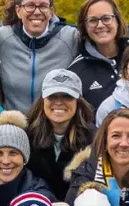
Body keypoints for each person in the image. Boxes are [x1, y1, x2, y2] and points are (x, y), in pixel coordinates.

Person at [0, 0, 77, 113]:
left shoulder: (70, 38)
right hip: (14, 125)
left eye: (43, 6)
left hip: (53, 124)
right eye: (30, 6)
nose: (37, 12)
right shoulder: (1, 37)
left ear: (51, 11)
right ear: (18, 10)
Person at [28, 69, 97, 198]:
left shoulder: (93, 138)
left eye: (67, 96)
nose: (59, 102)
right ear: (43, 99)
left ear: (78, 100)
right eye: (52, 96)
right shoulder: (27, 134)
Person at [67, 0, 129, 104]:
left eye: (106, 18)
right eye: (93, 20)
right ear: (84, 26)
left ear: (117, 21)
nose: (100, 25)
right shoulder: (76, 71)